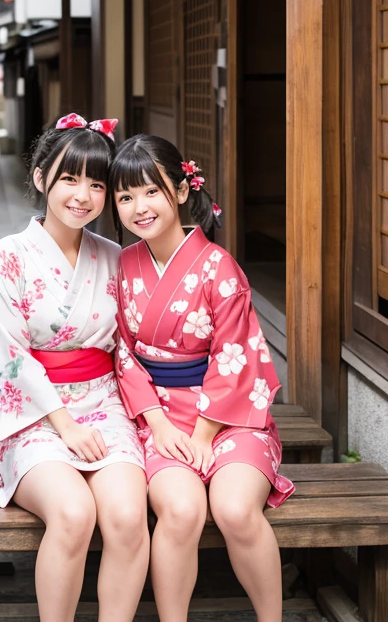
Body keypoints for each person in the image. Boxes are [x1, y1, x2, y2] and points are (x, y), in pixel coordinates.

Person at [110, 134, 294, 622]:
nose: (138, 207)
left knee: (235, 509)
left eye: (151, 191)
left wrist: (205, 433)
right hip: (159, 419)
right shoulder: (124, 266)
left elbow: (237, 355)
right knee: (181, 510)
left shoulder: (220, 268)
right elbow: (121, 352)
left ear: (181, 189)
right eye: (125, 197)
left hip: (231, 419)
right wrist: (163, 426)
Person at [0, 114, 149, 622]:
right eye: (70, 178)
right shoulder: (10, 255)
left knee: (126, 516)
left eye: (97, 183)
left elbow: (127, 349)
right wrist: (64, 424)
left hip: (103, 404)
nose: (83, 195)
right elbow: (7, 354)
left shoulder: (115, 257)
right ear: (40, 178)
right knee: (74, 514)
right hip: (33, 415)